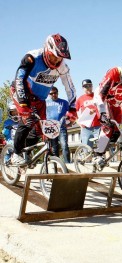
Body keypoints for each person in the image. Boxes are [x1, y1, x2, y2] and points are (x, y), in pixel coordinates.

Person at [10, 33, 77, 165]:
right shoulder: (32, 57)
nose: (56, 61)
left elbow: (70, 88)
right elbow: (19, 78)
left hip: (40, 99)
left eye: (59, 59)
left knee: (39, 131)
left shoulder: (62, 66)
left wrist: (73, 108)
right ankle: (15, 153)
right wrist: (23, 103)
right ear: (47, 49)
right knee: (28, 120)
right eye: (53, 56)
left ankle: (25, 150)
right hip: (21, 91)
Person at [46, 87, 72, 163]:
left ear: (58, 93)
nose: (53, 94)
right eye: (51, 93)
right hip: (51, 128)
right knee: (54, 148)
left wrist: (70, 123)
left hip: (61, 127)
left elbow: (72, 114)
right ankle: (56, 164)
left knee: (64, 145)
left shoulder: (64, 102)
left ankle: (67, 163)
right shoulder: (45, 103)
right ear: (48, 94)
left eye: (55, 92)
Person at [76, 79, 101, 148]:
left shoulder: (97, 96)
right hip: (86, 128)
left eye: (89, 86)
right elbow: (75, 114)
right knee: (87, 150)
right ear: (82, 88)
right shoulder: (79, 99)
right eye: (86, 86)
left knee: (101, 148)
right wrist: (79, 123)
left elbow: (103, 107)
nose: (88, 88)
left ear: (92, 86)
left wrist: (95, 110)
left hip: (98, 126)